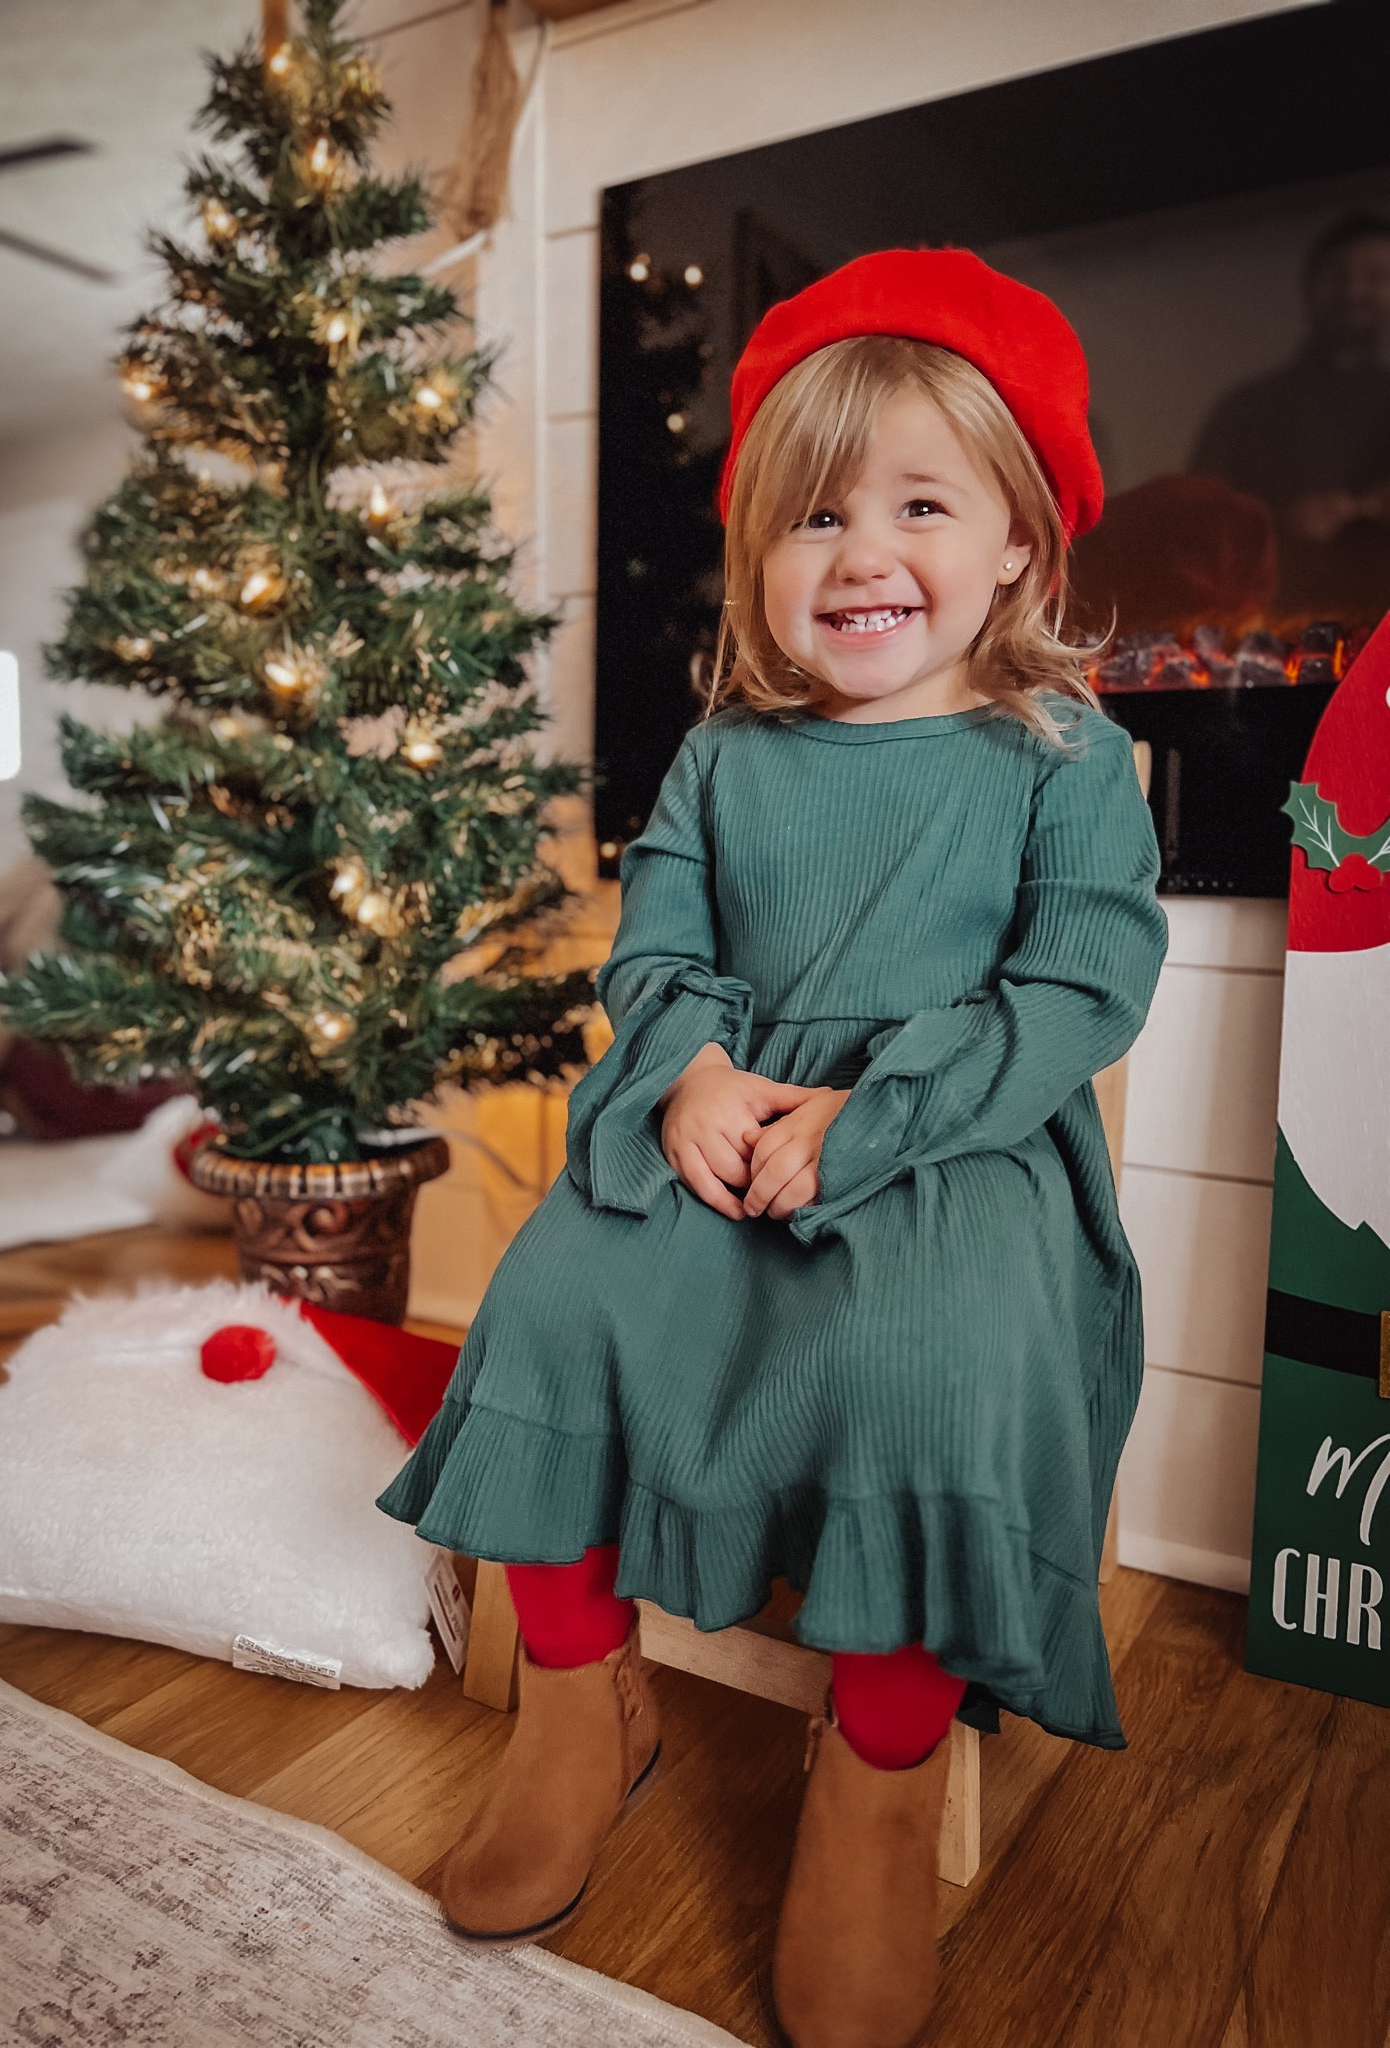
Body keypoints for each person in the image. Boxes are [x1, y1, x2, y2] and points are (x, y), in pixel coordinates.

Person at [380, 247, 1166, 2048]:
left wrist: (881, 1110)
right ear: (758, 557)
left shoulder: (1062, 753)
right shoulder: (725, 757)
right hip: (726, 1120)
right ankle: (582, 1702)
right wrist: (687, 1073)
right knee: (556, 1298)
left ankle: (877, 1769)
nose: (862, 552)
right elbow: (654, 954)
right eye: (815, 515)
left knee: (931, 1366)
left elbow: (1080, 983)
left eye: (918, 505)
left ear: (1018, 544)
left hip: (954, 1147)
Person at [1191, 213, 1390, 623]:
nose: (1355, 291)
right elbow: (1195, 522)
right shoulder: (1246, 408)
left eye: (1376, 277)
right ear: (1311, 286)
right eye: (1340, 275)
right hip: (1276, 629)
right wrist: (1280, 521)